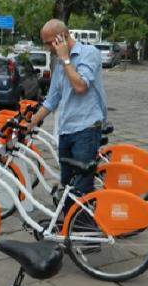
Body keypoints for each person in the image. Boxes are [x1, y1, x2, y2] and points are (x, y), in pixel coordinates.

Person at [27, 19, 107, 211]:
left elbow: (80, 86)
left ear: (61, 37)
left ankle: (87, 236)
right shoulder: (58, 62)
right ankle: (69, 231)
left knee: (81, 188)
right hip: (66, 130)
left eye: (48, 43)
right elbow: (52, 99)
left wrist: (65, 59)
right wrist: (31, 123)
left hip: (86, 129)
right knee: (67, 185)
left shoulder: (90, 53)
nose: (47, 48)